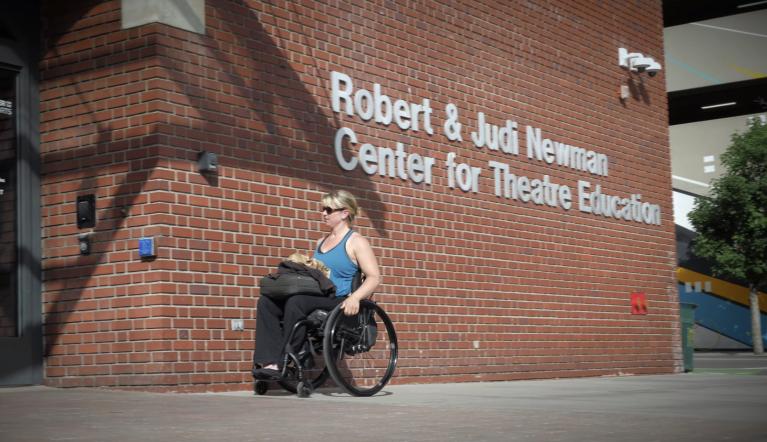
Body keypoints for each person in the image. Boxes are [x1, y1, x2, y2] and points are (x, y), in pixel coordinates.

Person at [252, 190, 381, 379]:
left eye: (329, 210)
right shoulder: (321, 242)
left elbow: (374, 277)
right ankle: (270, 361)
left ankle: (287, 359)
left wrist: (355, 298)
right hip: (318, 295)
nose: (324, 214)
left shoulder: (356, 242)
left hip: (340, 299)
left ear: (345, 213)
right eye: (323, 209)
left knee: (297, 302)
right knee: (267, 302)